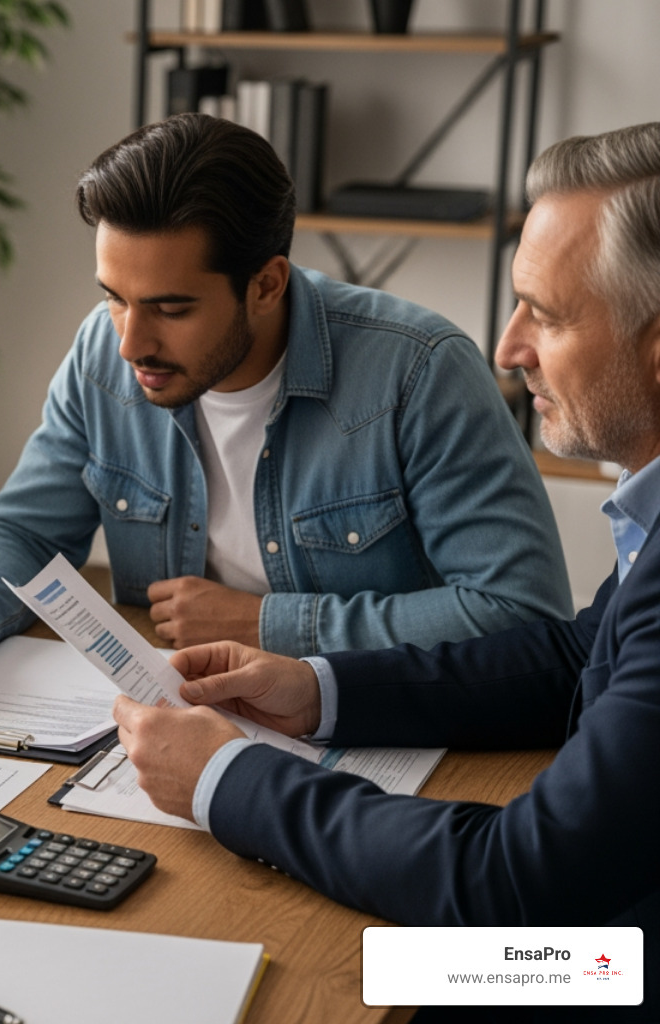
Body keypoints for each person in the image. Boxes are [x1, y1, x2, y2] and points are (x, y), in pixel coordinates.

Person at [111, 122, 660, 967]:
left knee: (331, 982)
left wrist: (227, 780)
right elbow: (576, 656)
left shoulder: (415, 367)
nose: (510, 348)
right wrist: (316, 689)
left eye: (544, 317)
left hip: (610, 973)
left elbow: (512, 883)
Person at [0, 113, 570, 700]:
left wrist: (270, 624)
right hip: (177, 715)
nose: (130, 342)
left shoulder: (418, 371)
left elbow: (523, 617)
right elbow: (26, 531)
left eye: (171, 308)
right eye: (114, 297)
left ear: (266, 285)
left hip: (371, 727)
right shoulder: (100, 352)